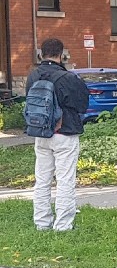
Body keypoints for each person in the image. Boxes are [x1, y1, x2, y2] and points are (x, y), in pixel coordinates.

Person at [27, 38, 89, 232]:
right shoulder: (67, 78)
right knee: (65, 180)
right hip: (65, 133)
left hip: (40, 133)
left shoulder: (32, 76)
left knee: (42, 180)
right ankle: (63, 225)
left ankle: (41, 222)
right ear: (61, 55)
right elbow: (82, 104)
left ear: (41, 54)